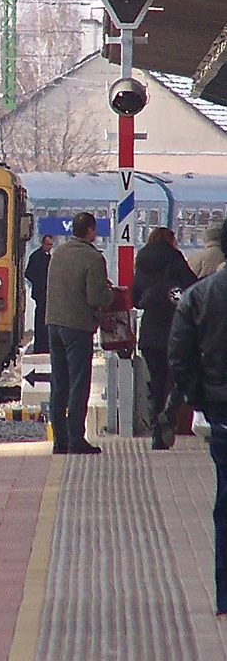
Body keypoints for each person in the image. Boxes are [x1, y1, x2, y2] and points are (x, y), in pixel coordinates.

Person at [169, 218, 227, 616]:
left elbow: (179, 356)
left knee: (226, 501)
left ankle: (225, 595)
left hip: (223, 415)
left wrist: (199, 400)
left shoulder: (201, 296)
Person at [45, 212, 114, 455]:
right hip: (77, 327)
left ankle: (59, 440)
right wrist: (111, 294)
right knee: (78, 383)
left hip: (54, 324)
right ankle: (76, 438)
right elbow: (96, 297)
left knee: (59, 383)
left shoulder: (58, 253)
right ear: (91, 231)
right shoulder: (92, 258)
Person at [131, 227, 197, 449]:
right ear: (171, 240)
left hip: (149, 331)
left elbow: (134, 298)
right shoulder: (174, 257)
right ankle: (168, 415)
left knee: (157, 383)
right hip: (174, 329)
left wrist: (150, 299)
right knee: (182, 377)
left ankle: (156, 435)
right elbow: (192, 286)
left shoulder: (141, 259)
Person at [25, 234, 53, 354]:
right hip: (40, 292)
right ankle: (40, 345)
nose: (49, 247)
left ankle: (46, 344)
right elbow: (28, 273)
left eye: (51, 245)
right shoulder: (36, 256)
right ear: (42, 243)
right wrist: (39, 282)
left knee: (46, 319)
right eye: (47, 244)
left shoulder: (49, 257)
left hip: (47, 292)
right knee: (40, 318)